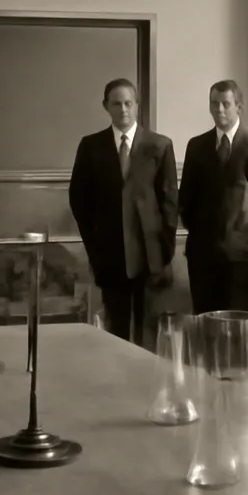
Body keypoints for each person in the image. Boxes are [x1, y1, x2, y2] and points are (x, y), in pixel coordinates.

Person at [68, 78, 178, 343]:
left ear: (137, 105)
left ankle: (146, 383)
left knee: (148, 333)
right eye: (116, 104)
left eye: (128, 103)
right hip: (110, 256)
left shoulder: (160, 145)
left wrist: (163, 251)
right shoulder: (91, 146)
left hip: (150, 258)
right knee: (115, 332)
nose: (123, 109)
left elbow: (170, 203)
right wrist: (94, 248)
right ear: (106, 107)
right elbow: (79, 201)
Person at [178, 80, 248, 314]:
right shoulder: (197, 145)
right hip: (203, 256)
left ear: (239, 107)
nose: (220, 109)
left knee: (239, 325)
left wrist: (247, 240)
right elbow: (186, 199)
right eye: (214, 104)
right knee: (205, 322)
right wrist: (200, 236)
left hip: (243, 257)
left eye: (226, 104)